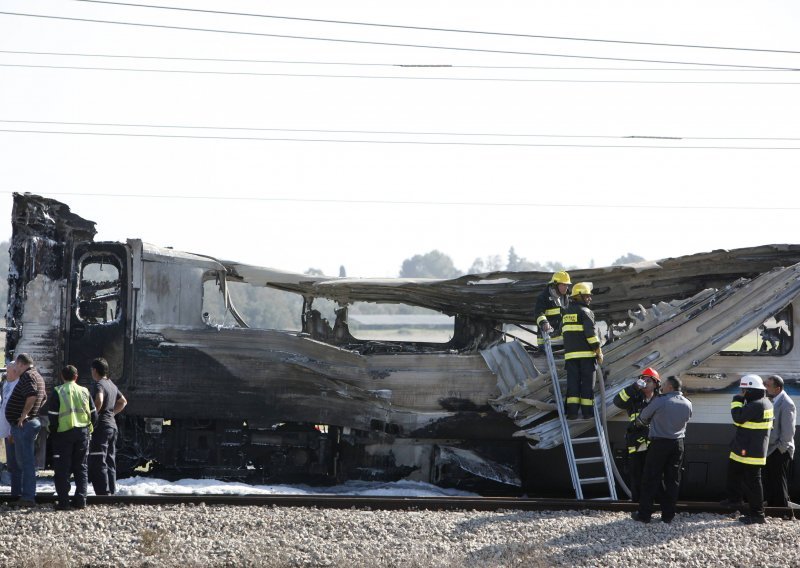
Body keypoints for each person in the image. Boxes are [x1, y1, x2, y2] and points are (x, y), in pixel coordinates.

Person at [632, 376, 693, 524]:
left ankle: (644, 515)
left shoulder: (660, 401)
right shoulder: (688, 403)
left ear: (670, 387)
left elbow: (643, 418)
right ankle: (668, 516)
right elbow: (687, 418)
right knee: (673, 480)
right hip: (678, 445)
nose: (662, 387)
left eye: (664, 385)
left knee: (650, 479)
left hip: (659, 444)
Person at [721, 374, 774, 525]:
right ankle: (734, 500)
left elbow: (737, 418)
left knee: (753, 482)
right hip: (745, 446)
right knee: (734, 472)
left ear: (750, 390)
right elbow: (742, 422)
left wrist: (736, 402)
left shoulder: (756, 405)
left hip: (751, 450)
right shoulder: (763, 402)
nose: (741, 392)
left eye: (743, 390)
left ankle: (757, 514)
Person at [47, 365, 97, 510]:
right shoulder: (85, 391)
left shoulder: (58, 391)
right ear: (76, 377)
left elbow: (53, 416)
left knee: (62, 469)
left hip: (63, 434)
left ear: (62, 377)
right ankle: (81, 500)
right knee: (81, 467)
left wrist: (54, 432)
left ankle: (64, 502)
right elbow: (94, 414)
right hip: (82, 433)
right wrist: (88, 429)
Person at [4, 353, 47, 507]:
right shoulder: (37, 376)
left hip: (24, 425)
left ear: (22, 364)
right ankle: (25, 495)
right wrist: (34, 412)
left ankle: (28, 497)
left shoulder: (28, 376)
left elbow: (32, 395)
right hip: (28, 423)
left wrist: (25, 415)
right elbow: (44, 397)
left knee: (25, 462)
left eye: (16, 365)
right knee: (24, 461)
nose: (15, 367)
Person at [613, 367, 661, 502]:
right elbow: (618, 401)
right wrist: (634, 387)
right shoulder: (634, 397)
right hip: (637, 441)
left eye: (648, 380)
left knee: (653, 472)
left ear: (656, 383)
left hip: (655, 442)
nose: (644, 382)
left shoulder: (660, 399)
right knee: (636, 471)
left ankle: (652, 501)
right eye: (642, 379)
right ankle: (637, 502)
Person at [561, 282, 603, 419]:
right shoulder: (586, 312)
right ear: (578, 297)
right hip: (586, 357)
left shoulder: (566, 313)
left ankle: (572, 413)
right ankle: (587, 413)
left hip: (571, 357)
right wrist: (598, 350)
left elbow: (563, 333)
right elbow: (590, 334)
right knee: (587, 386)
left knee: (572, 385)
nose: (590, 299)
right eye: (587, 296)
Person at [88, 357, 127, 495]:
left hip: (102, 427)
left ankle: (103, 493)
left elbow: (99, 399)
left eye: (92, 370)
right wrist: (112, 413)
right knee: (110, 459)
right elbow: (123, 401)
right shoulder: (112, 385)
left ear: (95, 370)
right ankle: (111, 490)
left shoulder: (99, 384)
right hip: (112, 426)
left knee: (99, 459)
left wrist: (94, 416)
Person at [764, 374, 795, 510]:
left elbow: (788, 430)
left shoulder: (787, 404)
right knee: (771, 479)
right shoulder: (773, 400)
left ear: (777, 389)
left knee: (778, 480)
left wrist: (781, 448)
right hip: (772, 448)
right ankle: (772, 506)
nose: (765, 387)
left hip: (780, 449)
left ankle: (781, 509)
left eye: (768, 385)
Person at [534, 271, 571, 347]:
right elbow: (538, 314)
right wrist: (544, 323)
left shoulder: (567, 297)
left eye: (567, 285)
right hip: (547, 342)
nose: (566, 287)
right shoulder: (543, 297)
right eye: (564, 285)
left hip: (564, 341)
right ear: (555, 285)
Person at [0, 365, 20, 486]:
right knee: (11, 457)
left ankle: (17, 486)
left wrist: (12, 429)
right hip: (6, 427)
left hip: (12, 427)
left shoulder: (17, 385)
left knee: (15, 458)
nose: (6, 374)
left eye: (8, 371)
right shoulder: (7, 384)